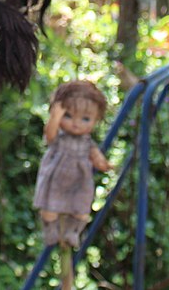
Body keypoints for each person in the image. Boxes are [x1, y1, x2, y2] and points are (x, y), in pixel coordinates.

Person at [34, 80, 113, 248]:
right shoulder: (59, 138)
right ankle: (50, 229)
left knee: (82, 209)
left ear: (96, 119)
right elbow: (49, 136)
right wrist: (55, 117)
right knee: (49, 208)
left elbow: (95, 154)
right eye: (68, 116)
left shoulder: (87, 142)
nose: (76, 123)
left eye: (85, 119)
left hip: (79, 180)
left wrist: (102, 163)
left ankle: (74, 232)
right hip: (56, 178)